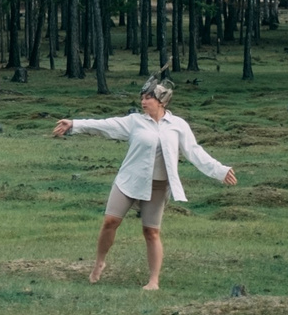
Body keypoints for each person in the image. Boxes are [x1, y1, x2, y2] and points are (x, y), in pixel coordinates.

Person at [50, 76, 236, 291]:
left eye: (148, 98)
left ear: (162, 101)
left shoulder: (178, 126)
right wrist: (74, 124)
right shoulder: (135, 122)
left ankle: (153, 281)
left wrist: (220, 171)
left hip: (158, 187)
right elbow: (105, 125)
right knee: (110, 221)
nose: (143, 102)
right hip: (129, 180)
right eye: (142, 98)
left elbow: (194, 152)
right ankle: (100, 262)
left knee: (151, 232)